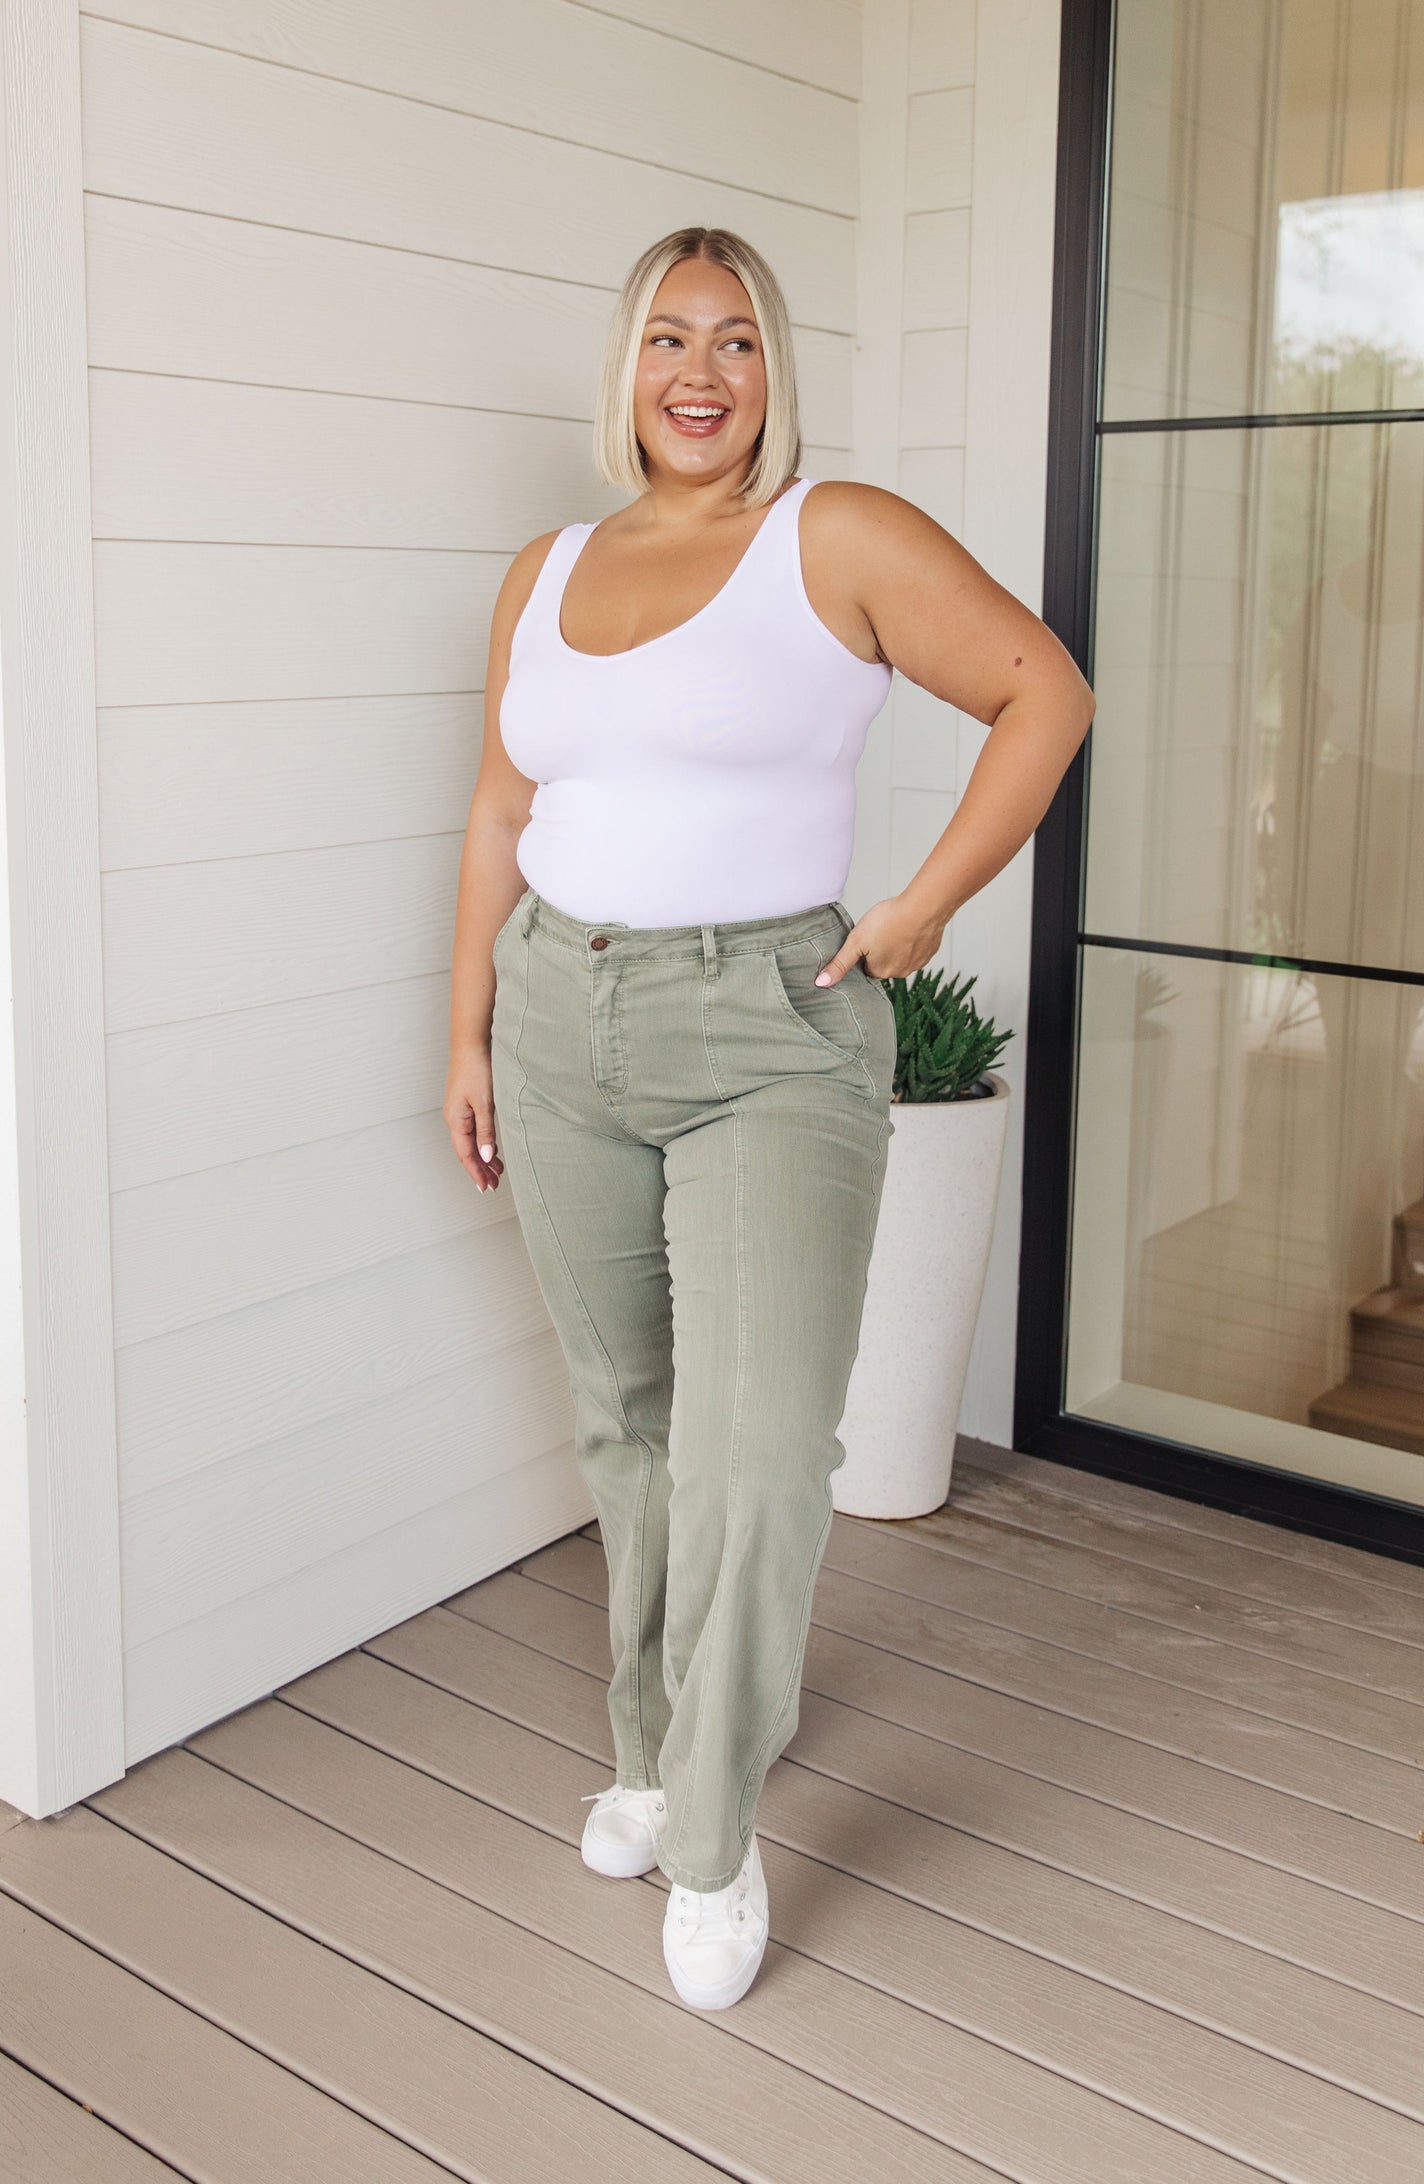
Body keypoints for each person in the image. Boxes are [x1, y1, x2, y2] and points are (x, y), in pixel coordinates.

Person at [445, 226, 1093, 2011]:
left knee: (753, 1451)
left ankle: (716, 1836)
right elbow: (500, 808)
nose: (700, 372)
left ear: (771, 370)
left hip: (770, 1033)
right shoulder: (545, 569)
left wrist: (923, 905)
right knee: (631, 1425)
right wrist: (467, 1028)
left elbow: (1043, 692)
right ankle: (656, 1748)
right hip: (557, 1012)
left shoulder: (836, 536)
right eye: (668, 337)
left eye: (734, 340)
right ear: (628, 367)